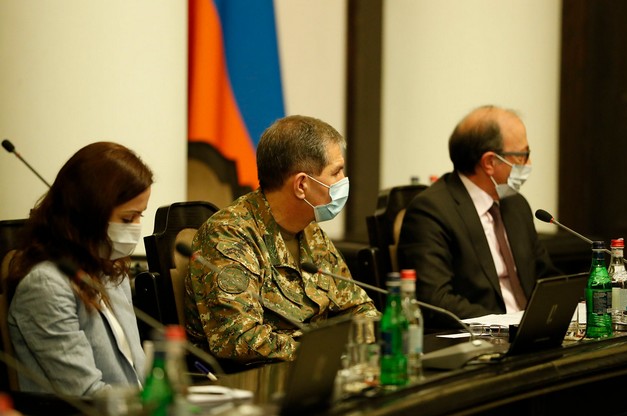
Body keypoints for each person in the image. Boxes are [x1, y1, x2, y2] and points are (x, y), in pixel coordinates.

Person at [184, 115, 379, 365]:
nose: (344, 180)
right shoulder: (228, 235)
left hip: (314, 370)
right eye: (336, 171)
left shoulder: (311, 232)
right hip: (250, 378)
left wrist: (361, 341)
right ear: (301, 185)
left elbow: (358, 308)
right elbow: (238, 338)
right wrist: (325, 351)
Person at [7, 142, 153, 396]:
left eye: (141, 215)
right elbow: (87, 394)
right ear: (89, 214)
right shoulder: (45, 285)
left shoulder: (111, 272)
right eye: (128, 218)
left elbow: (136, 373)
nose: (136, 226)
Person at [398, 105, 558, 328]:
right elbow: (434, 301)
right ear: (490, 162)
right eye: (524, 156)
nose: (529, 164)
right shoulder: (431, 211)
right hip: (482, 338)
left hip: (533, 332)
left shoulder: (516, 205)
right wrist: (506, 324)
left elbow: (545, 275)